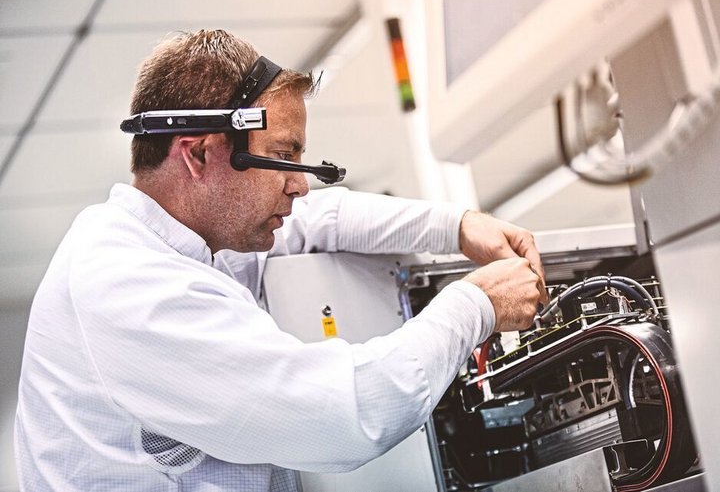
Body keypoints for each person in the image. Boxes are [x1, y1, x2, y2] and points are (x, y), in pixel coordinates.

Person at [14, 29, 546, 491]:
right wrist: (476, 304)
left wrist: (455, 225)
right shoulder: (134, 289)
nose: (299, 184)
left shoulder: (177, 243)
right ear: (198, 155)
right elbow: (345, 414)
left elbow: (323, 217)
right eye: (284, 156)